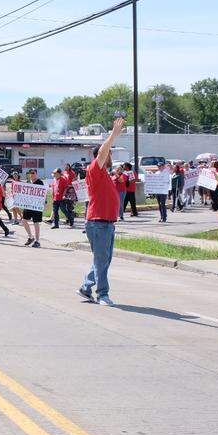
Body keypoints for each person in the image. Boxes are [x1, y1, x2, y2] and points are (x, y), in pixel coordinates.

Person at [78, 117, 125, 306]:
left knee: (103, 259)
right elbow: (102, 153)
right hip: (98, 223)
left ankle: (85, 286)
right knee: (102, 260)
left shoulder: (106, 174)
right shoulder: (94, 170)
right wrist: (113, 135)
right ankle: (102, 294)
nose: (111, 157)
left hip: (107, 223)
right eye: (108, 154)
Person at [20, 168, 44, 247]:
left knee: (36, 222)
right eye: (30, 173)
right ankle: (31, 237)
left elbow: (43, 193)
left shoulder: (40, 182)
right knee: (24, 221)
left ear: (36, 174)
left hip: (36, 206)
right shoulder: (27, 182)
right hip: (28, 205)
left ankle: (37, 241)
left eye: (33, 173)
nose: (31, 175)